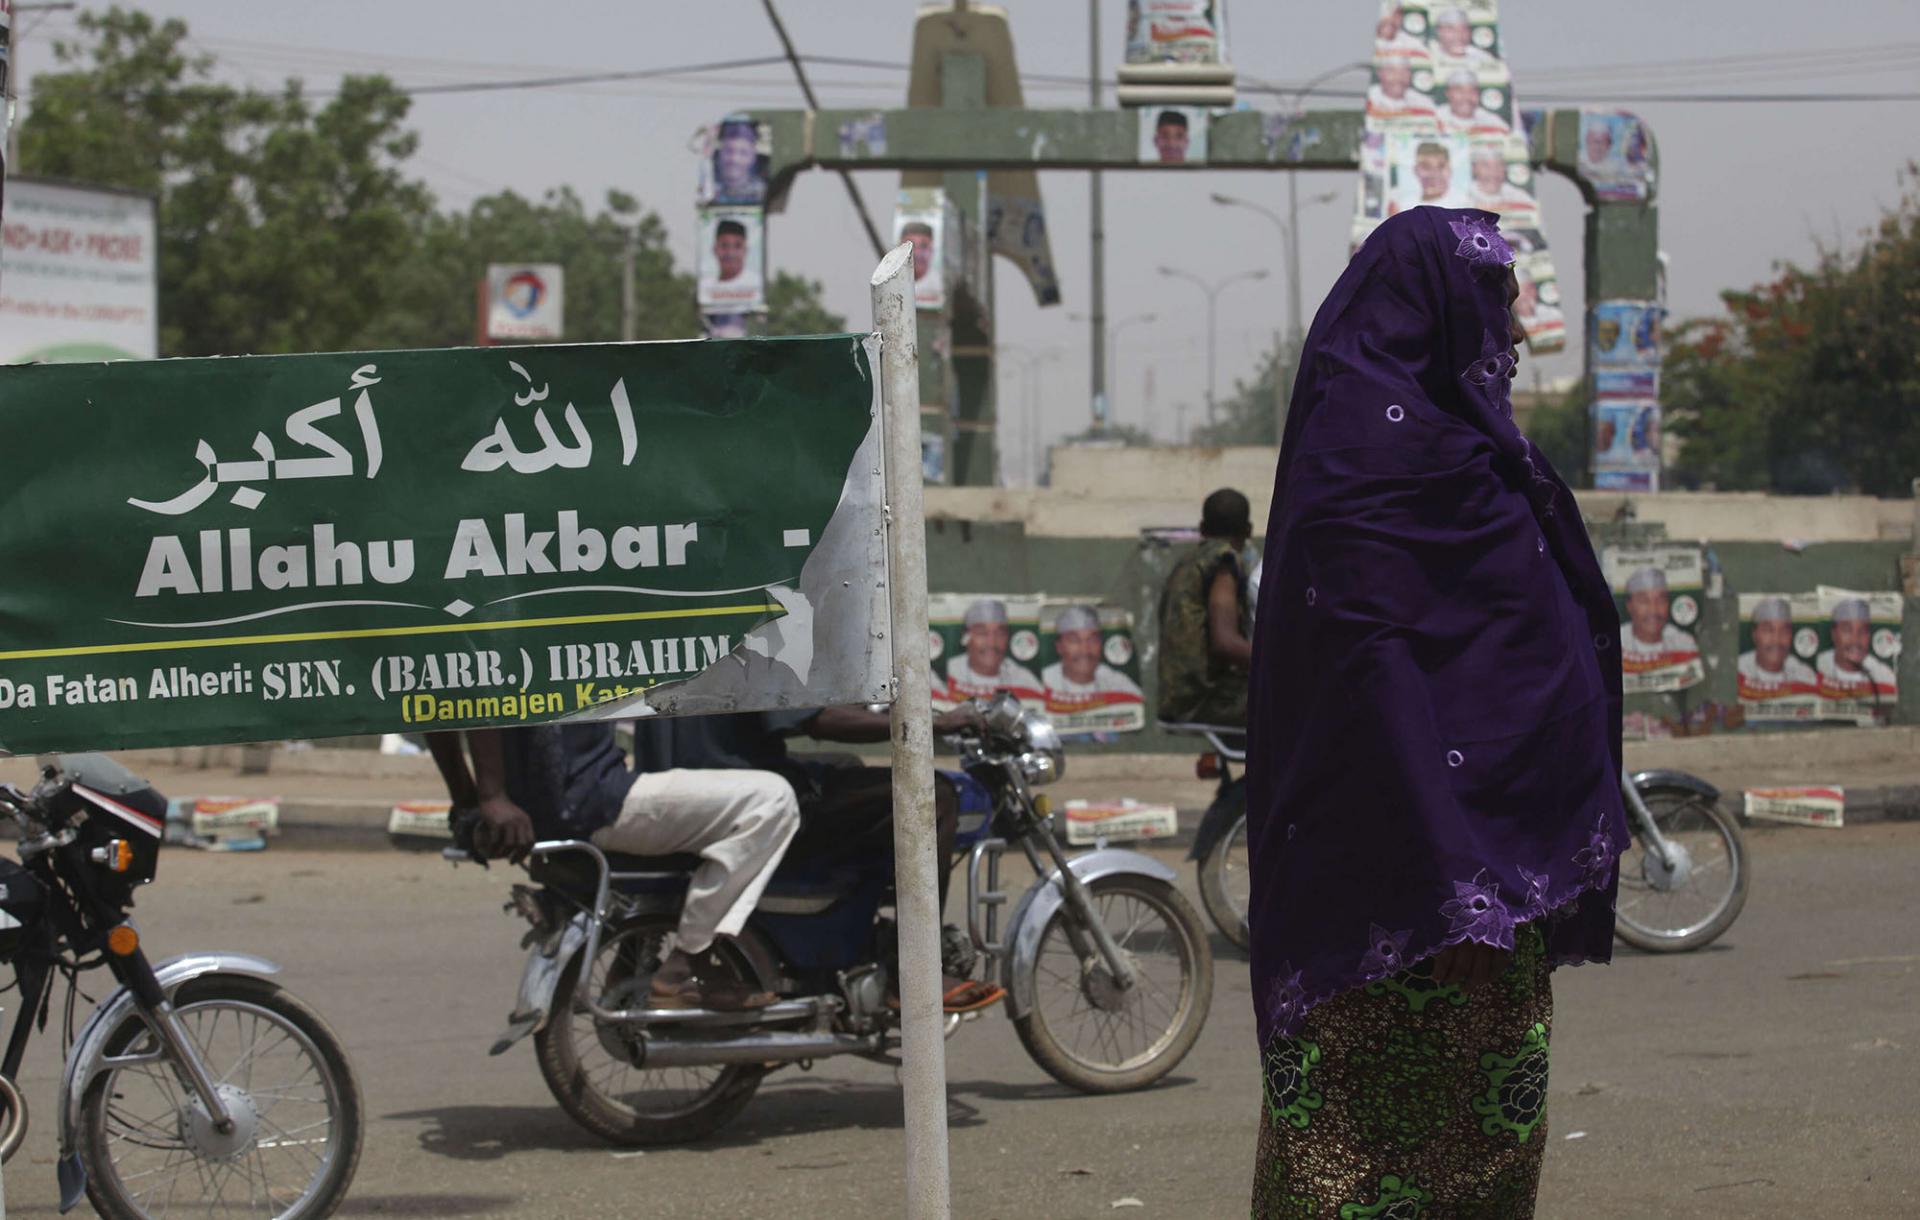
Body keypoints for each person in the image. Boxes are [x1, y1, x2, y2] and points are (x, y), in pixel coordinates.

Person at [1246, 207, 1629, 1217]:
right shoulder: (1359, 480)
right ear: (1428, 310)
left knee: (1486, 1154)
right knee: (1341, 1161)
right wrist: (1451, 874)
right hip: (1381, 892)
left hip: (1499, 894)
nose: (1504, 332)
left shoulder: (1490, 465)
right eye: (1491, 303)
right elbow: (1372, 684)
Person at [625, 707, 1007, 1012]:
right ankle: (915, 972)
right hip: (743, 797)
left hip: (677, 791)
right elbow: (818, 719)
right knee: (934, 796)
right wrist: (930, 721)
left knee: (847, 767)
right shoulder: (743, 627)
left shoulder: (674, 628)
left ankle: (851, 943)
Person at [427, 723, 799, 1011]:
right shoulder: (517, 626)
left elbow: (438, 693)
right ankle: (690, 962)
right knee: (772, 799)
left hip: (565, 795)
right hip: (588, 797)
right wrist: (491, 798)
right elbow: (473, 690)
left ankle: (632, 956)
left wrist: (468, 801)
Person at [1157, 489, 1253, 727]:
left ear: (1202, 528)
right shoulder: (1224, 562)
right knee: (1304, 700)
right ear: (1248, 530)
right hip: (1207, 700)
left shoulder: (1188, 562)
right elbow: (1225, 642)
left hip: (1177, 699)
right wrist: (1282, 662)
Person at [946, 598, 1043, 699]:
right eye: (982, 633)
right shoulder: (951, 671)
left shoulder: (1023, 679)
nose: (992, 643)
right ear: (966, 637)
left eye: (1000, 633)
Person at [1043, 605, 1144, 702]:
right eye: (1074, 640)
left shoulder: (1118, 683)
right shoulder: (1043, 682)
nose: (1085, 650)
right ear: (1059, 647)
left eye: (1092, 639)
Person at [1816, 597, 1896, 702]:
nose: (1855, 640)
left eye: (1863, 631)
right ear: (1834, 634)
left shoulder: (1884, 676)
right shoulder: (1819, 665)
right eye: (1847, 630)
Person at [1619, 566, 1699, 668]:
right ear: (1629, 606)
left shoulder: (1684, 643)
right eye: (1644, 601)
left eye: (1661, 600)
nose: (1653, 609)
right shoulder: (1616, 640)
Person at [1738, 596, 1816, 699]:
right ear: (1754, 634)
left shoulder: (1804, 674)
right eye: (1768, 630)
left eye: (1784, 631)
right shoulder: (1739, 669)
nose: (1776, 640)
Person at [710, 118, 765, 205]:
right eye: (728, 151)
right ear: (720, 153)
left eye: (743, 153)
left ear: (753, 157)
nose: (734, 159)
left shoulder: (763, 193)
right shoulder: (707, 189)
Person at [1465, 143, 1533, 214]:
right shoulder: (1463, 197)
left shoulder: (1520, 196)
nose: (1493, 172)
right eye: (1486, 165)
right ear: (1474, 169)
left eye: (1499, 165)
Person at [1437, 71, 1510, 135]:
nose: (1466, 96)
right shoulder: (1435, 117)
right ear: (1448, 93)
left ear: (1478, 94)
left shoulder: (1493, 122)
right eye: (1459, 91)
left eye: (1472, 91)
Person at [1366, 59, 1434, 122]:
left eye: (1404, 71)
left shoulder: (1424, 102)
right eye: (1391, 70)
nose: (1398, 77)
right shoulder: (1369, 96)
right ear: (1379, 73)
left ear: (1410, 74)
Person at [711, 218, 748, 283]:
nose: (730, 253)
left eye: (737, 246)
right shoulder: (707, 286)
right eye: (724, 245)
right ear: (715, 249)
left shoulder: (753, 284)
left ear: (745, 250)